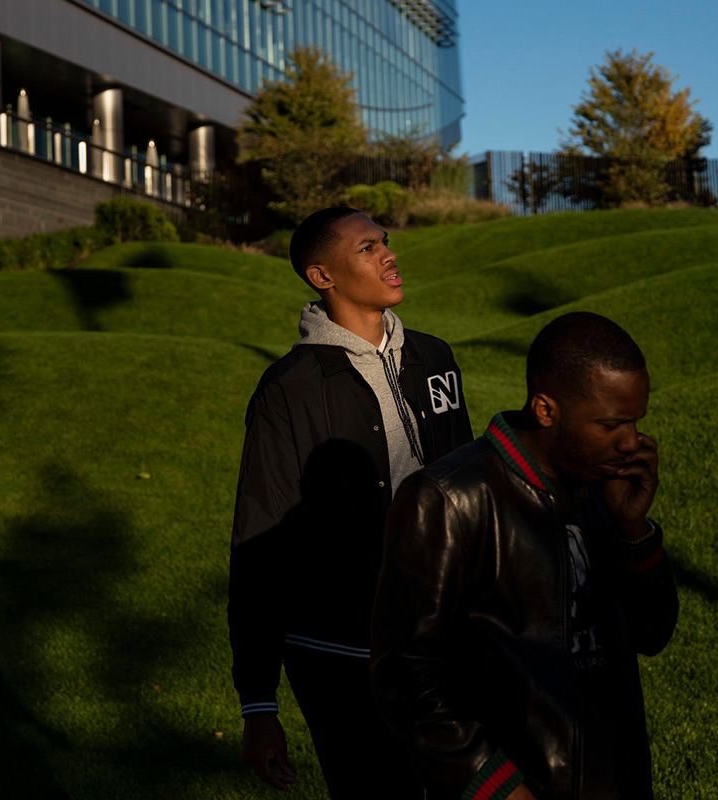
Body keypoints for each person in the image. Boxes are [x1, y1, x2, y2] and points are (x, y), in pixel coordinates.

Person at [372, 311, 678, 800]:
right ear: (545, 409)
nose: (631, 442)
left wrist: (633, 530)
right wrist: (494, 786)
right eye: (611, 424)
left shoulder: (604, 488)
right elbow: (406, 676)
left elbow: (652, 633)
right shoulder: (448, 498)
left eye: (636, 420)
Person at [228, 207, 473, 797]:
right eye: (367, 249)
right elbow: (261, 543)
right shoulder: (289, 389)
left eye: (385, 242)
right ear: (322, 276)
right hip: (340, 654)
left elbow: (472, 490)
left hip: (448, 636)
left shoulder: (434, 359)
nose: (389, 254)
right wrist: (258, 704)